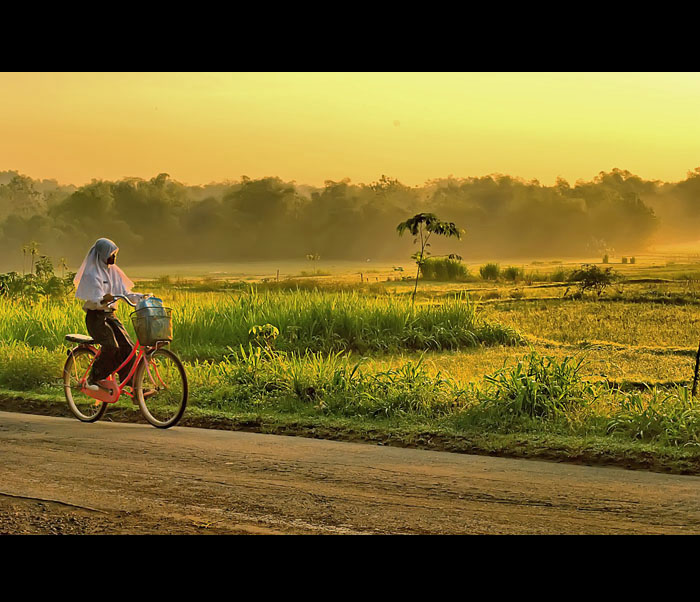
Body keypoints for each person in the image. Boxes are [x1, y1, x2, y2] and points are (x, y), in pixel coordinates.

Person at [74, 238, 146, 392]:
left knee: (128, 348)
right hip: (96, 317)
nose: (114, 257)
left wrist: (140, 297)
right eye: (111, 254)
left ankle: (131, 386)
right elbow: (94, 299)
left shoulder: (114, 271)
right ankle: (94, 378)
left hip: (110, 315)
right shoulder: (92, 274)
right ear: (102, 255)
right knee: (111, 347)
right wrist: (102, 300)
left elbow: (125, 293)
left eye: (114, 254)